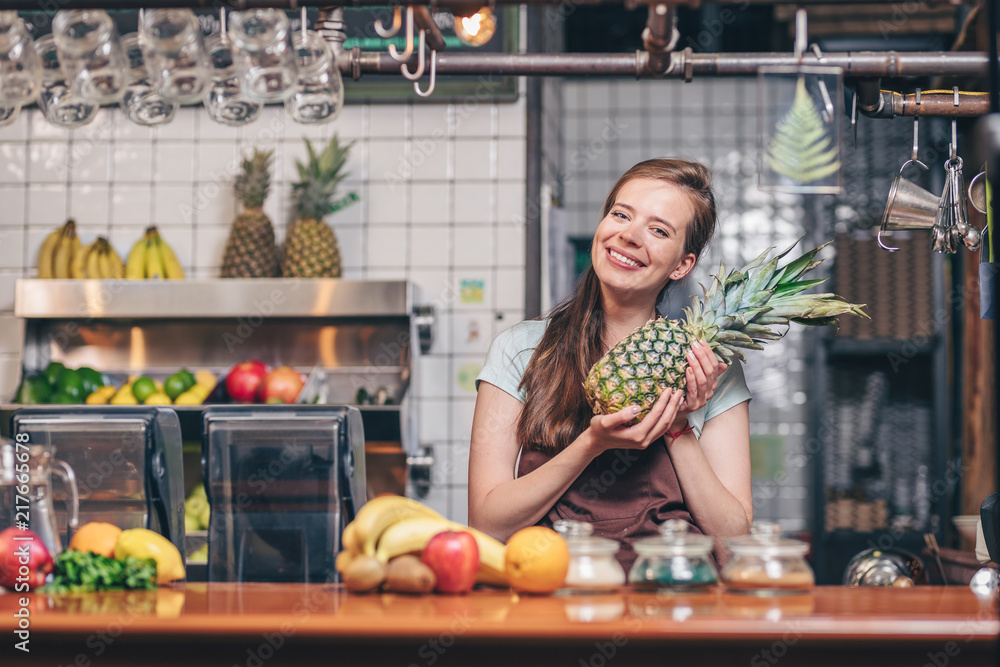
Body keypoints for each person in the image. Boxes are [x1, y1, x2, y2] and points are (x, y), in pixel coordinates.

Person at [469, 158, 752, 572]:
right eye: (621, 214)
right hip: (552, 592)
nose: (629, 235)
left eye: (659, 230)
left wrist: (679, 427)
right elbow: (486, 526)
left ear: (682, 265)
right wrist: (591, 444)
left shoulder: (709, 371)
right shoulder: (521, 349)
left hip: (676, 596)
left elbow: (734, 550)